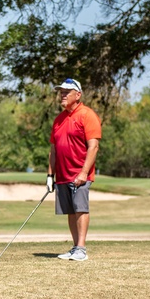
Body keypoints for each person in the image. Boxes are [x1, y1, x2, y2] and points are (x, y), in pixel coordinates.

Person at [47, 78, 102, 261]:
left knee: (80, 209)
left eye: (66, 92)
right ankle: (75, 247)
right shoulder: (58, 119)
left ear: (77, 95)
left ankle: (81, 248)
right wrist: (50, 175)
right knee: (70, 211)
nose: (62, 95)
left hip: (80, 173)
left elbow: (93, 147)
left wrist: (84, 172)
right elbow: (53, 150)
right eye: (61, 92)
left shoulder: (87, 115)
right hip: (62, 175)